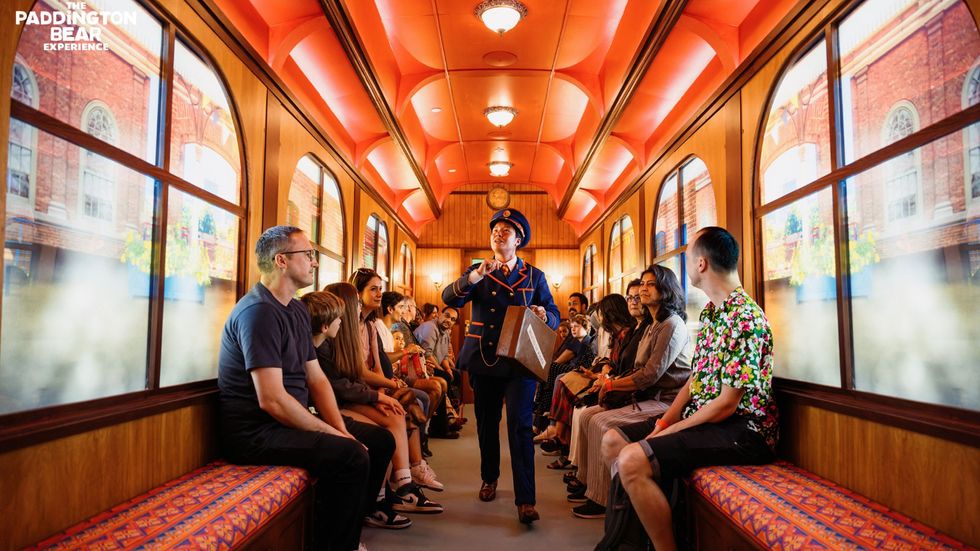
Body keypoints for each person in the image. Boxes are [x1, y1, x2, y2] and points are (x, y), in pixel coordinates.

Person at [601, 227, 778, 550]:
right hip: (709, 417)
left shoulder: (746, 318)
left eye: (689, 254)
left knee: (631, 460)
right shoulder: (711, 313)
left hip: (743, 430)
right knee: (613, 440)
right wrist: (665, 422)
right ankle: (633, 538)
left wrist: (673, 430)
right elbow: (696, 380)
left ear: (701, 264)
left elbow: (726, 405)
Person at [217, 225, 371, 551]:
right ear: (282, 261)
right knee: (351, 456)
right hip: (255, 434)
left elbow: (315, 378)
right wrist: (335, 436)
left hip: (283, 422)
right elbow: (272, 400)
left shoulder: (297, 308)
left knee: (376, 441)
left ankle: (346, 535)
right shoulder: (258, 312)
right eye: (308, 255)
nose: (314, 262)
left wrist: (340, 428)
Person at [442, 208, 560, 524]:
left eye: (507, 229)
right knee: (486, 422)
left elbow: (553, 312)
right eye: (496, 228)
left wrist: (543, 314)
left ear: (519, 239)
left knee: (520, 427)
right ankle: (489, 477)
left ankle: (526, 500)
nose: (499, 232)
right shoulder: (477, 271)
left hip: (520, 360)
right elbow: (449, 298)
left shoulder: (535, 276)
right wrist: (476, 275)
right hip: (484, 357)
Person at [570, 266, 691, 519]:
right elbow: (636, 369)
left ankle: (603, 499)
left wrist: (611, 385)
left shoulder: (671, 325)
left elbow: (650, 374)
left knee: (602, 422)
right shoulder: (651, 324)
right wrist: (608, 383)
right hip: (646, 397)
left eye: (650, 284)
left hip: (666, 401)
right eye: (643, 283)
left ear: (666, 290)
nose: (643, 289)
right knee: (590, 415)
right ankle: (589, 484)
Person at [300, 290, 411, 529]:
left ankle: (389, 491)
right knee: (378, 439)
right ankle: (371, 506)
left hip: (333, 405)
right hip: (326, 409)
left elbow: (340, 381)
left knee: (391, 423)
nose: (347, 318)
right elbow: (332, 388)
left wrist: (378, 395)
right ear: (326, 323)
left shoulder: (327, 342)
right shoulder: (319, 346)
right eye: (355, 306)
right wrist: (375, 395)